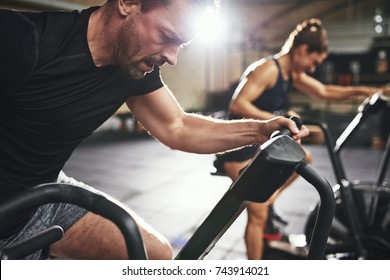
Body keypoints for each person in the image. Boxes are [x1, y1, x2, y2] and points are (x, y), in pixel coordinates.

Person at [0, 0, 309, 260]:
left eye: (181, 45)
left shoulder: (131, 67)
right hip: (8, 208)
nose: (172, 58)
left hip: (40, 198)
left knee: (155, 256)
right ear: (127, 4)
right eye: (167, 36)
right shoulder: (23, 40)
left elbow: (178, 126)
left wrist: (260, 130)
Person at [214, 18, 380, 260]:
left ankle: (267, 201)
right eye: (314, 61)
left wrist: (365, 91)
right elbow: (238, 104)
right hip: (238, 146)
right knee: (258, 214)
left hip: (260, 146)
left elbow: (324, 91)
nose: (313, 68)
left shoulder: (291, 74)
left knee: (305, 158)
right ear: (302, 50)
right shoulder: (269, 69)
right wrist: (277, 118)